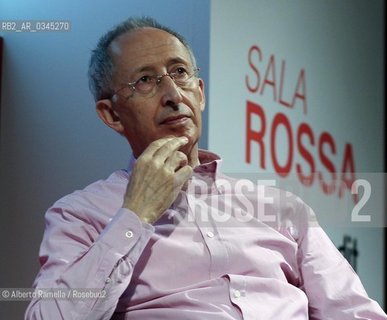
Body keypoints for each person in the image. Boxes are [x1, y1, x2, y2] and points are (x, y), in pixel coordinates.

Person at [25, 16, 386, 320]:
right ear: (112, 114)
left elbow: (354, 311)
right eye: (146, 81)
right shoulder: (79, 214)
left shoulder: (282, 208)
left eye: (179, 73)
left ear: (200, 92)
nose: (172, 94)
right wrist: (136, 214)